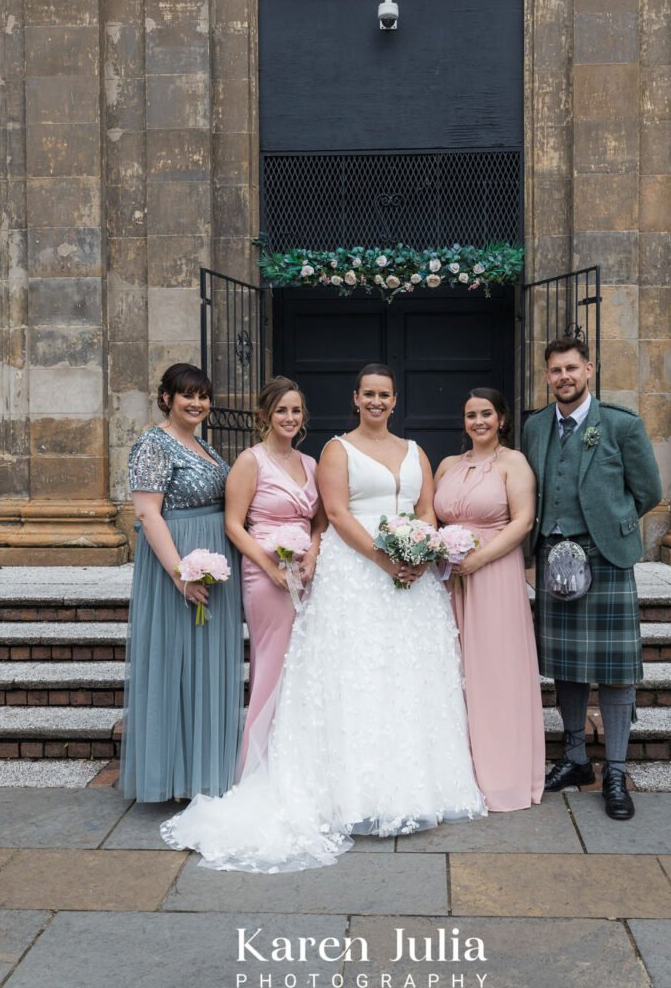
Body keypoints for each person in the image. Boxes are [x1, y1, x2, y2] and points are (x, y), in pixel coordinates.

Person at [161, 363, 486, 871]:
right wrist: (384, 559)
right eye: (368, 395)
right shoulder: (336, 451)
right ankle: (349, 791)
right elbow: (334, 515)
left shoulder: (415, 451)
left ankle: (410, 787)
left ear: (395, 400)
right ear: (355, 399)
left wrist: (419, 551)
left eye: (385, 395)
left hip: (411, 577)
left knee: (406, 677)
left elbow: (426, 510)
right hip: (358, 574)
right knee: (354, 676)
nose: (376, 402)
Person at [521, 337, 662, 820]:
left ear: (589, 370)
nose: (564, 377)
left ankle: (616, 771)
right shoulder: (536, 427)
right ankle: (577, 758)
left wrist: (610, 528)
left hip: (604, 557)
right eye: (555, 370)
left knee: (617, 670)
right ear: (547, 376)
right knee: (567, 665)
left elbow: (648, 491)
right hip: (552, 556)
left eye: (571, 369)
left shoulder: (621, 424)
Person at [122, 364, 244, 802]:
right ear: (167, 398)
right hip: (180, 563)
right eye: (187, 395)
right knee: (178, 665)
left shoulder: (202, 444)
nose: (197, 403)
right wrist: (180, 576)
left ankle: (204, 770)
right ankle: (172, 777)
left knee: (208, 668)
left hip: (214, 563)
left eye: (203, 396)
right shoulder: (152, 444)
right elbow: (148, 514)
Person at [434, 388, 545, 812]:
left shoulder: (513, 463)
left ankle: (502, 777)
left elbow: (522, 521)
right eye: (470, 415)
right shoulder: (447, 465)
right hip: (447, 578)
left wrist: (477, 558)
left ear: (501, 418)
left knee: (494, 669)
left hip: (494, 572)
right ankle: (457, 771)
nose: (478, 422)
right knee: (453, 668)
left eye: (485, 414)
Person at [223, 377, 326, 775]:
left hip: (305, 572)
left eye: (295, 410)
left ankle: (296, 760)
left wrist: (314, 554)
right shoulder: (251, 461)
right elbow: (235, 526)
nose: (289, 417)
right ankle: (257, 765)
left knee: (303, 662)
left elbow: (319, 523)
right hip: (265, 574)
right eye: (281, 410)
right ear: (264, 415)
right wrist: (269, 568)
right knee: (272, 661)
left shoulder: (311, 464)